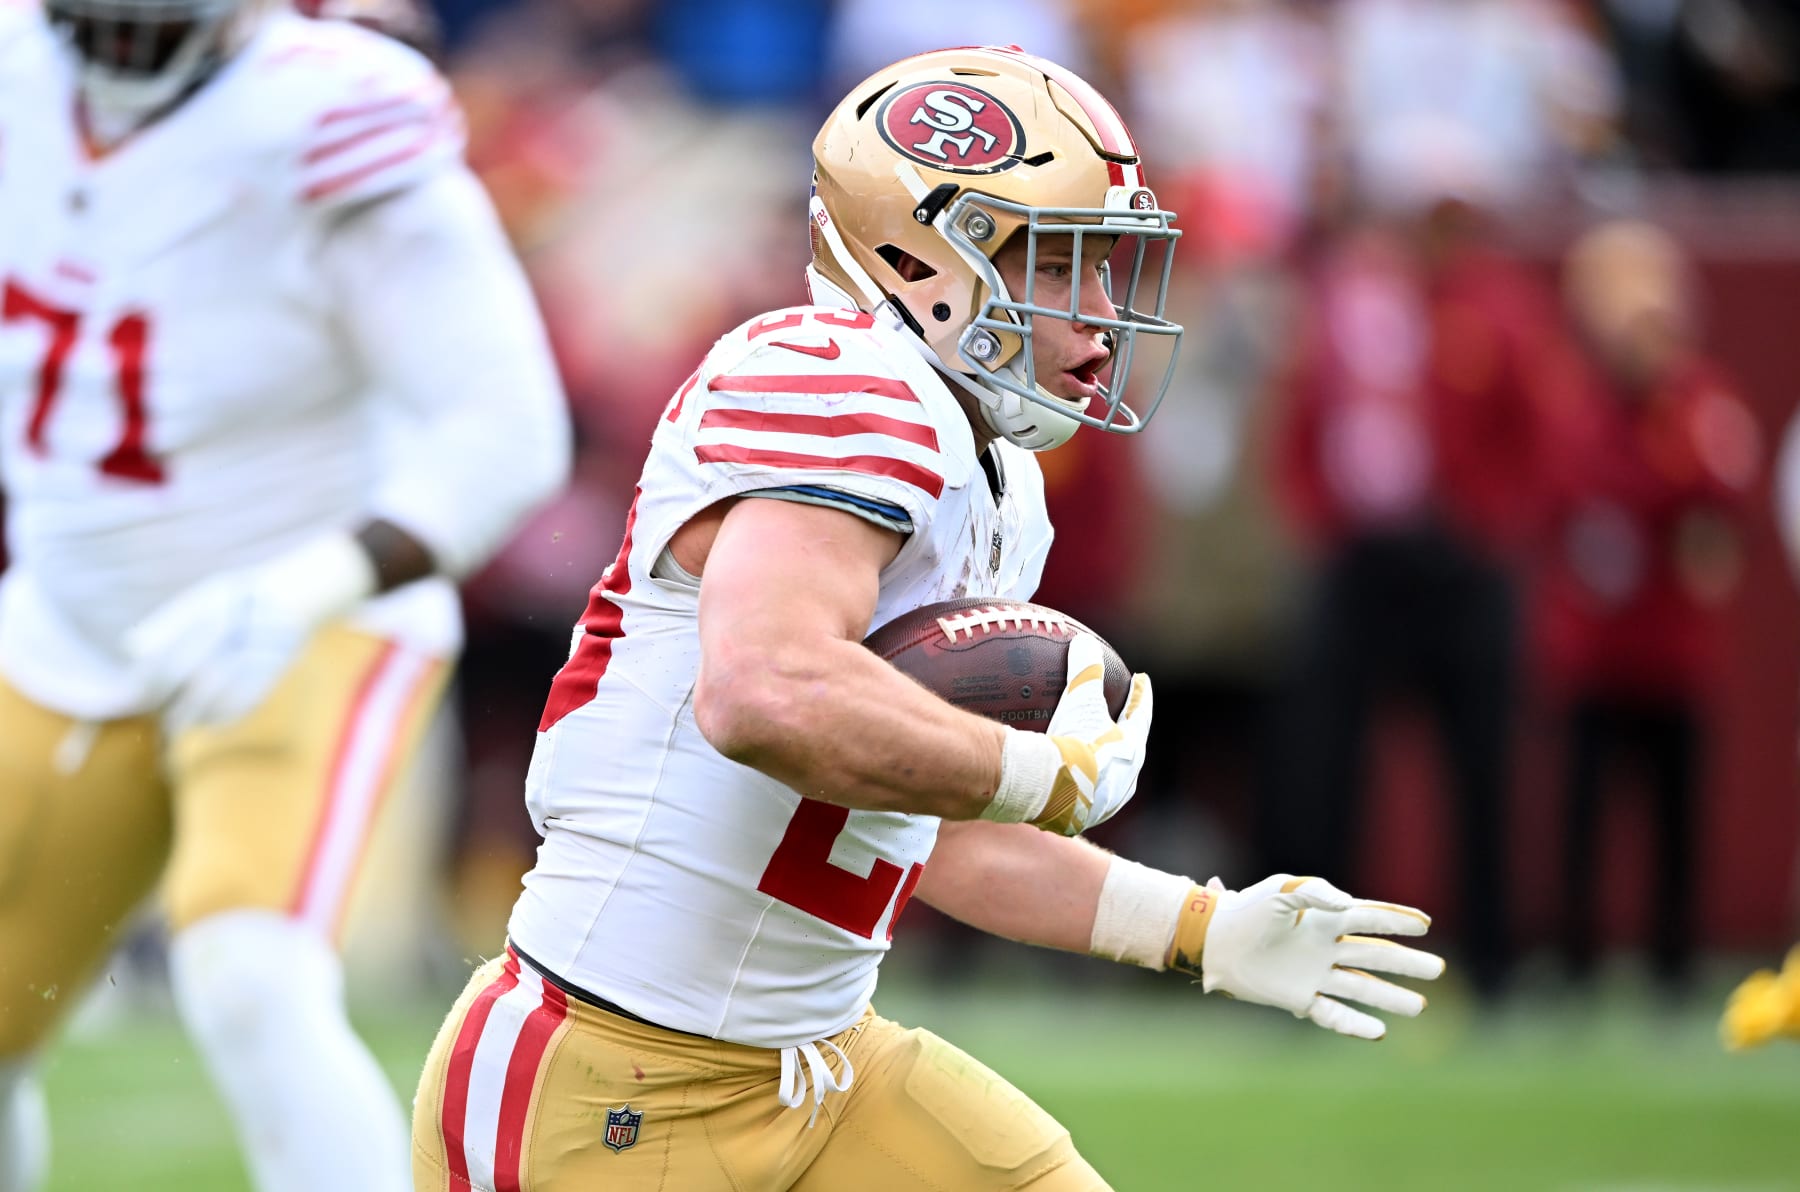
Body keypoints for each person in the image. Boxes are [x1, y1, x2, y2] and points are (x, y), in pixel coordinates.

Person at [412, 45, 1444, 1191]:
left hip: (822, 1064)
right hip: (610, 1077)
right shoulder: (842, 380)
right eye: (1067, 267)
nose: (1104, 319)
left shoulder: (996, 478)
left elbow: (928, 825)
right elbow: (766, 691)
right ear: (921, 258)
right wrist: (1031, 768)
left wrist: (1201, 926)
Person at [0, 0, 571, 1188]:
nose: (119, 37)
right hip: (66, 612)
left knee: (251, 973)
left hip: (307, 603)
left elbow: (507, 432)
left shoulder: (329, 110)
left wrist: (313, 581)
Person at [1540, 219, 1760, 997]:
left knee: (1676, 820)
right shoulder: (1581, 399)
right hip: (1596, 647)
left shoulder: (1699, 400)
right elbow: (1575, 489)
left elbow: (1719, 485)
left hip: (1674, 649)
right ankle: (1575, 963)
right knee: (1583, 819)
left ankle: (1676, 964)